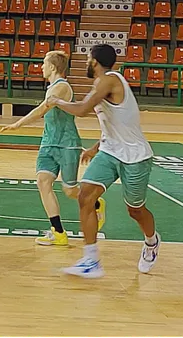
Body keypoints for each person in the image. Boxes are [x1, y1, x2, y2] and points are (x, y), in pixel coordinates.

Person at [49, 44, 159, 279]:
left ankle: (151, 241)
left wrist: (56, 102)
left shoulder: (109, 80)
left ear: (95, 62)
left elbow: (81, 110)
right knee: (85, 196)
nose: (86, 63)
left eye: (88, 59)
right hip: (110, 151)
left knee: (135, 210)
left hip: (135, 156)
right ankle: (91, 260)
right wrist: (96, 147)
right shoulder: (102, 83)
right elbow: (116, 123)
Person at [2, 50, 103, 246]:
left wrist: (18, 124)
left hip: (67, 144)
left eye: (43, 63)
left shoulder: (62, 87)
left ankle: (96, 203)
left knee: (70, 190)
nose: (41, 67)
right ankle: (58, 232)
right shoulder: (51, 88)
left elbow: (42, 109)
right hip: (48, 143)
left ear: (53, 67)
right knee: (42, 182)